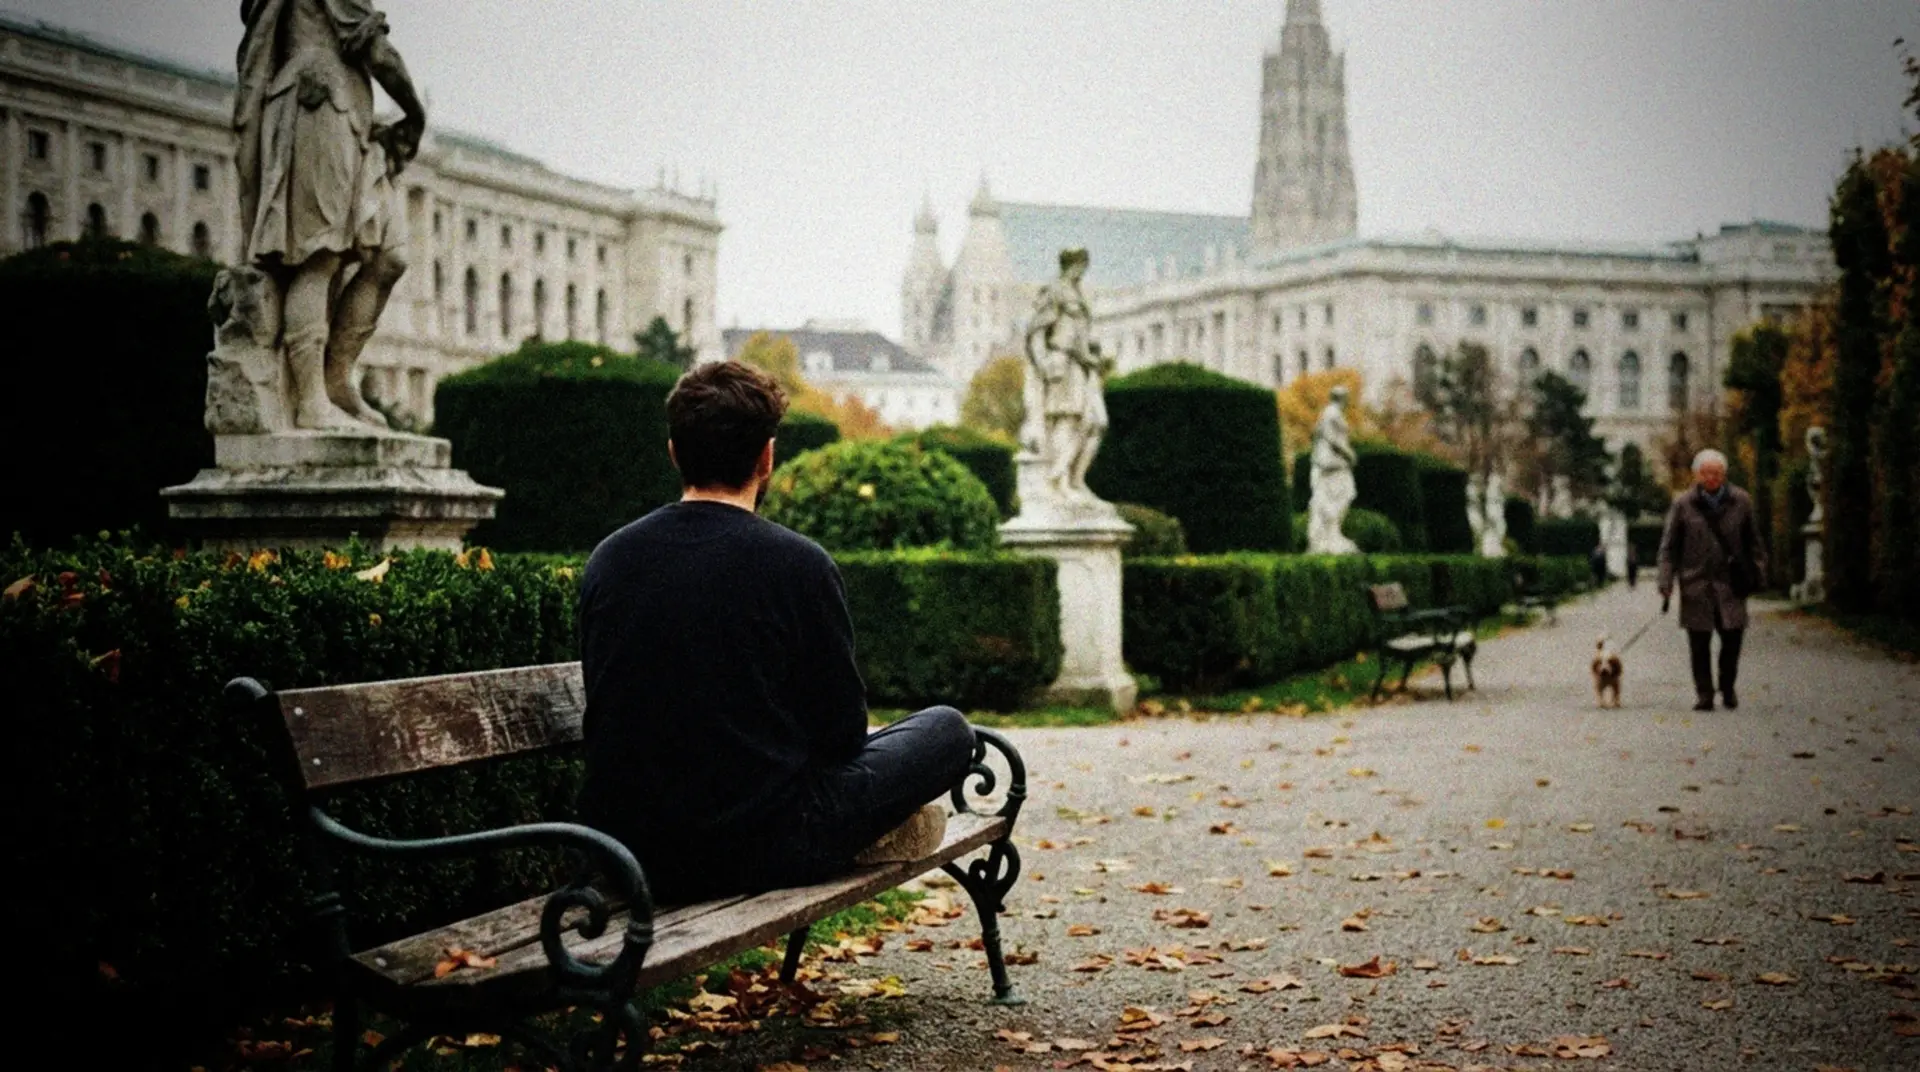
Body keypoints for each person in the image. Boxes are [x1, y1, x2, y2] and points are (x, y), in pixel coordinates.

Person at [576, 361, 976, 903]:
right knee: (947, 730)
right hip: (765, 847)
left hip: (635, 851)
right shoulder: (799, 564)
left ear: (674, 451)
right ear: (767, 457)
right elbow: (841, 734)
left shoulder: (609, 558)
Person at [1657, 448, 1768, 712]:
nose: (1711, 477)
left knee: (1732, 641)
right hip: (1697, 585)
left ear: (1724, 474)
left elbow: (1755, 543)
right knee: (1699, 644)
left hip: (1731, 585)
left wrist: (1759, 575)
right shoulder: (1683, 504)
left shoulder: (1741, 501)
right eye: (1706, 473)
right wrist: (1666, 582)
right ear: (1697, 475)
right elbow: (1668, 547)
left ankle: (1727, 687)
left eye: (1716, 472)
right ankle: (1704, 693)